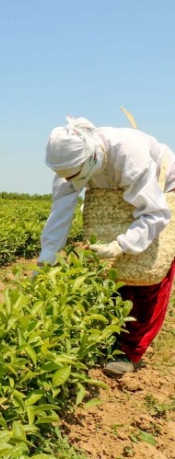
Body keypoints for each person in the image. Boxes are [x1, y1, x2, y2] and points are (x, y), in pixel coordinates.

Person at [39, 115, 175, 377]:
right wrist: (45, 261)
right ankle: (111, 338)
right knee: (111, 277)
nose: (70, 180)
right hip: (114, 196)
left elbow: (156, 213)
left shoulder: (127, 154)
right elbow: (60, 213)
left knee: (148, 275)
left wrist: (121, 244)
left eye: (75, 175)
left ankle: (131, 350)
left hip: (162, 189)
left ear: (91, 158)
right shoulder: (68, 168)